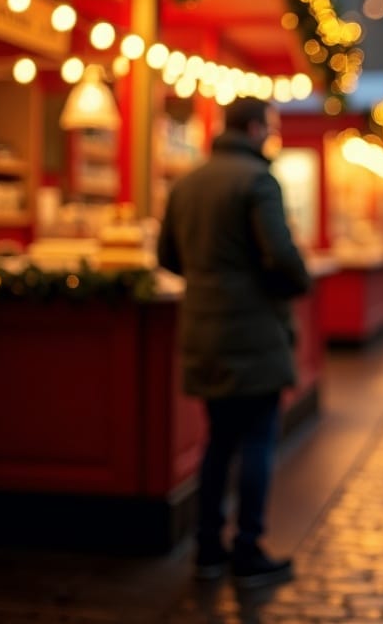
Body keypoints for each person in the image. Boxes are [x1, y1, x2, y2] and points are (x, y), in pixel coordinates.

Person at [157, 97, 311, 588]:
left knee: (217, 443)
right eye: (267, 127)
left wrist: (209, 280)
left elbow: (167, 255)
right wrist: (290, 284)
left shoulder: (187, 181)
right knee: (258, 442)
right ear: (253, 127)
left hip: (203, 330)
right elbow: (282, 256)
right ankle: (247, 551)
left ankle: (206, 548)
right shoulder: (258, 180)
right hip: (255, 333)